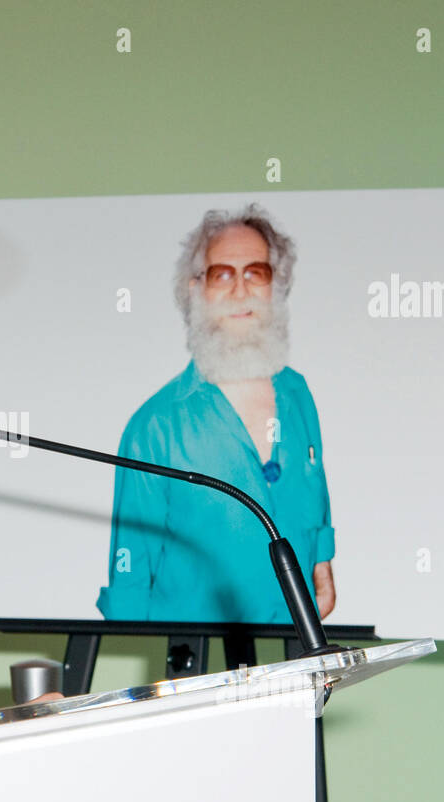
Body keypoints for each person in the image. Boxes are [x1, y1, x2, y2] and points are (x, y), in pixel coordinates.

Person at [97, 203, 336, 625]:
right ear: (195, 289)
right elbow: (130, 577)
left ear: (275, 286)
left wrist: (323, 565)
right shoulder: (155, 426)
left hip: (295, 653)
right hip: (198, 668)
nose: (240, 290)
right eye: (222, 274)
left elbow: (314, 499)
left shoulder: (298, 393)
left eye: (256, 273)